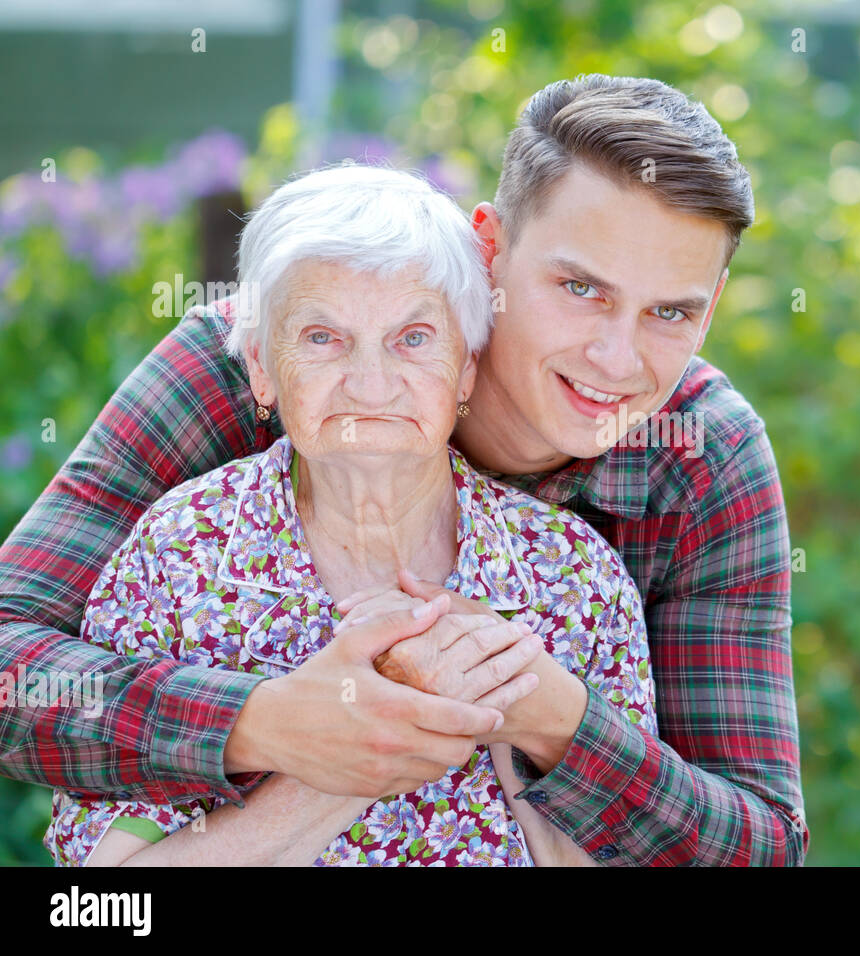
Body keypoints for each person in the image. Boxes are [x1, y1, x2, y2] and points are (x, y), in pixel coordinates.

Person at [0, 74, 807, 865]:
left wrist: (554, 718)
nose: (618, 356)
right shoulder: (264, 359)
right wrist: (274, 723)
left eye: (672, 311)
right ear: (489, 247)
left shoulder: (700, 460)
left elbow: (759, 845)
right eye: (581, 288)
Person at [45, 164, 654, 866]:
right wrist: (366, 742)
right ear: (261, 369)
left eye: (414, 338)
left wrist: (504, 711)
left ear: (465, 369)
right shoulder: (181, 554)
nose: (370, 383)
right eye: (322, 338)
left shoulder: (570, 572)